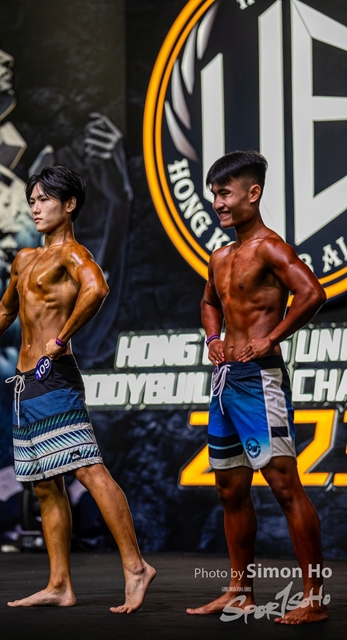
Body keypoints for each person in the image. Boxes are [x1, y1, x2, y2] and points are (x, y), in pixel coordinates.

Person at [0, 165, 155, 612]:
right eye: (32, 201)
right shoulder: (24, 259)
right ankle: (59, 585)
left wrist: (60, 340)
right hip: (26, 385)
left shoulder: (71, 254)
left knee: (88, 469)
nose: (35, 208)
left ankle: (136, 566)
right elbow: (4, 313)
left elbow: (97, 289)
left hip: (54, 378)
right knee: (43, 484)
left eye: (44, 200)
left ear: (69, 204)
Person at [186, 151, 328, 624]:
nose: (218, 204)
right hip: (225, 380)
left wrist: (272, 337)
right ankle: (240, 593)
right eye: (214, 195)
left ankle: (314, 599)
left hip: (260, 380)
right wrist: (213, 339)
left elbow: (312, 292)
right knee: (230, 489)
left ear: (253, 193)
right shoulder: (220, 255)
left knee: (285, 486)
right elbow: (209, 302)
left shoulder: (270, 248)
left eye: (225, 193)